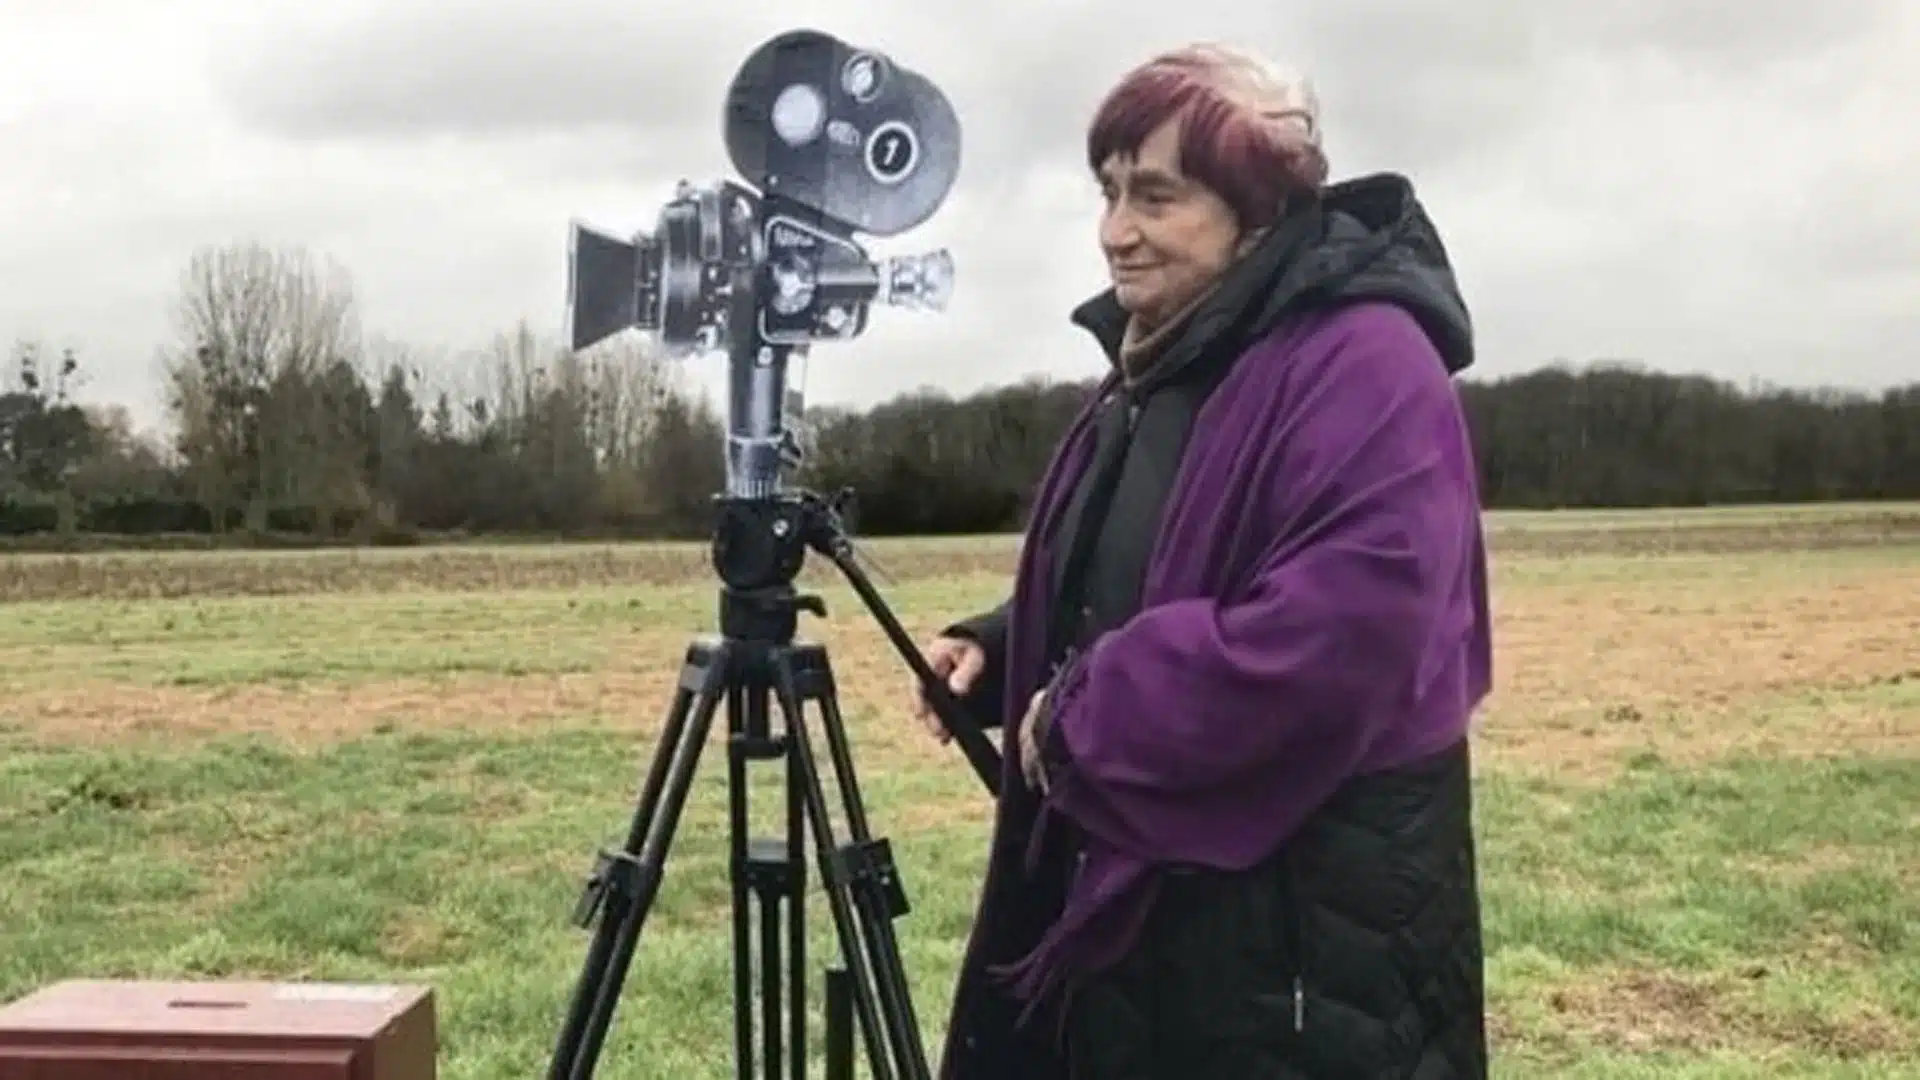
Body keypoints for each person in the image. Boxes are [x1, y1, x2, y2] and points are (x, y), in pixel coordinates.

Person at [910, 42, 1494, 1080]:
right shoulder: (1165, 356)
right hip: (1154, 936)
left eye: (1156, 196)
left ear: (1258, 207)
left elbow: (1340, 639)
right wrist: (1009, 648)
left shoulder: (1368, 363)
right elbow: (1147, 563)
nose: (1115, 232)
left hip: (1303, 951)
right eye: (1108, 191)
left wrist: (1086, 714)